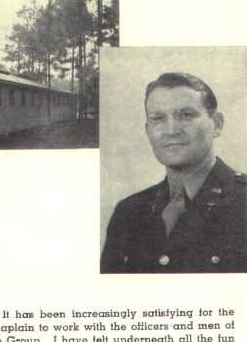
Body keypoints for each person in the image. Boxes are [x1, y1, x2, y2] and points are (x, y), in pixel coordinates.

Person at [101, 72, 246, 273]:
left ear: (217, 124)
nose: (171, 130)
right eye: (158, 118)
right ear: (148, 130)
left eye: (186, 115)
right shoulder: (128, 212)